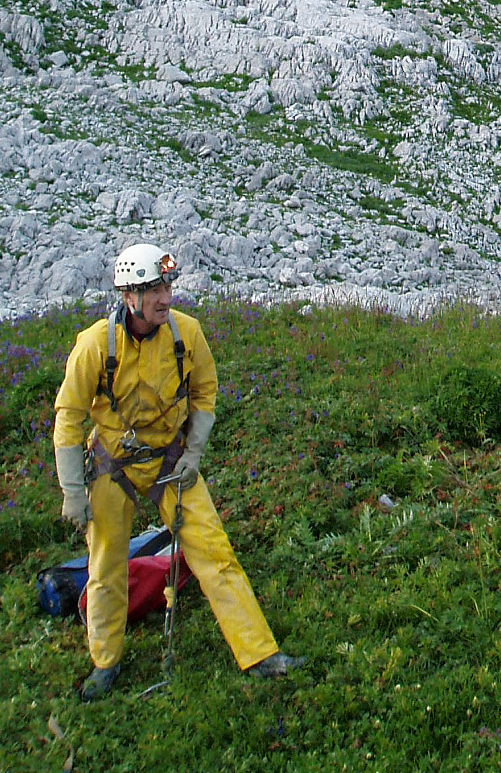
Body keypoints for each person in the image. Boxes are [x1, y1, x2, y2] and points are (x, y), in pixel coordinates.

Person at [54, 241, 302, 701]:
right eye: (154, 289)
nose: (166, 296)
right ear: (129, 296)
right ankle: (105, 662)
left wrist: (193, 456)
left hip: (170, 461)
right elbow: (68, 416)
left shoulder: (186, 334)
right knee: (105, 565)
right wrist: (73, 490)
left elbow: (205, 392)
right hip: (113, 465)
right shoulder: (94, 346)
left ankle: (259, 654)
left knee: (214, 552)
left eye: (167, 284)